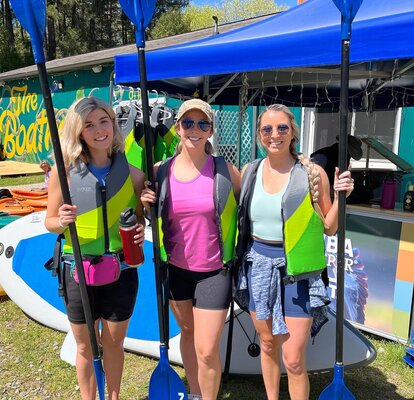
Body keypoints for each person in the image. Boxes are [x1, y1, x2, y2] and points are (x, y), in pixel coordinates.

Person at [235, 104, 354, 400]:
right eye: (267, 129)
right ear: (260, 134)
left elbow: (329, 227)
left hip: (297, 274)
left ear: (292, 133)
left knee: (294, 358)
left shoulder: (313, 174)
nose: (274, 135)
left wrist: (341, 197)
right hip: (258, 266)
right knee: (266, 343)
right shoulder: (249, 171)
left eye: (282, 128)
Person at [45, 96, 145, 400]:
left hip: (121, 270)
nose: (99, 130)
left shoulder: (134, 174)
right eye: (89, 125)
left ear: (113, 125)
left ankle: (112, 397)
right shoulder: (64, 174)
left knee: (114, 344)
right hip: (77, 271)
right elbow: (49, 221)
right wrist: (61, 221)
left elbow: (140, 221)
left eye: (104, 121)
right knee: (87, 345)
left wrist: (141, 230)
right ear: (79, 132)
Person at [141, 99, 240, 400]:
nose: (194, 130)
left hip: (214, 272)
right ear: (178, 127)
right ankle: (195, 394)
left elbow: (253, 202)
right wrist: (145, 204)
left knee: (208, 348)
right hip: (176, 269)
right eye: (188, 123)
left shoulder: (225, 170)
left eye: (202, 124)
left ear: (210, 130)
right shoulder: (160, 171)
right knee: (188, 334)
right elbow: (146, 213)